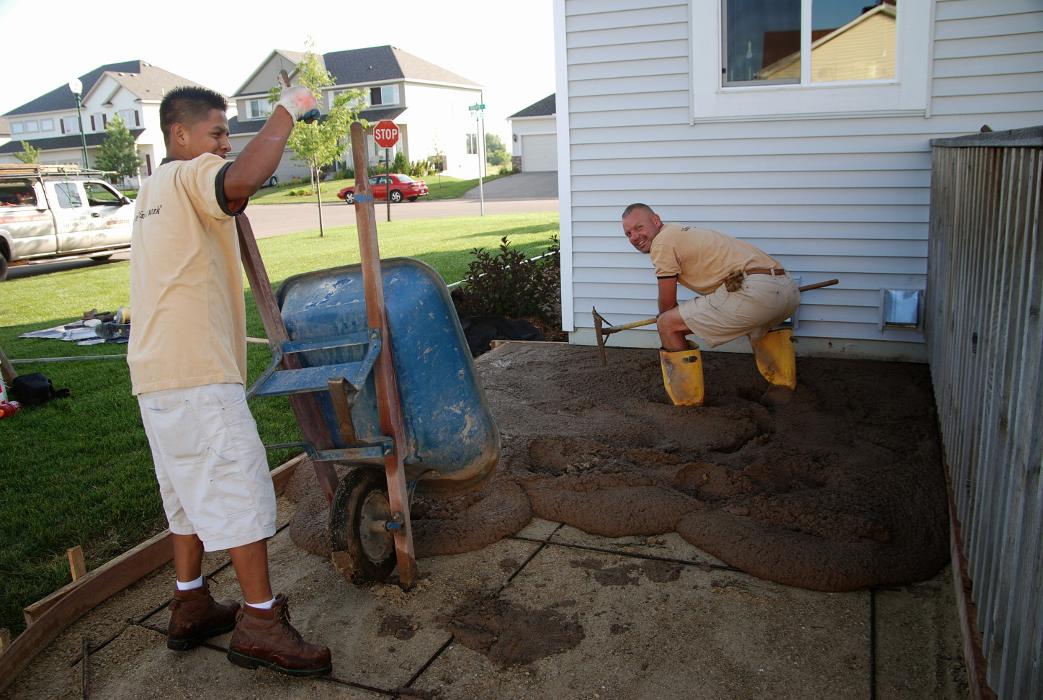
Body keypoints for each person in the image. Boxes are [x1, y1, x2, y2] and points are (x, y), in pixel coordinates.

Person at [128, 85, 331, 677]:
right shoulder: (192, 174)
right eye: (216, 132)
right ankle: (262, 624)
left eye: (226, 134)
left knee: (186, 495)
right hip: (194, 372)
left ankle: (190, 603)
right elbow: (240, 181)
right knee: (241, 491)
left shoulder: (151, 191)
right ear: (180, 136)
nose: (225, 143)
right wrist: (288, 112)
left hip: (157, 374)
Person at [621, 203, 800, 406]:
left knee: (667, 324)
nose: (634, 237)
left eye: (638, 228)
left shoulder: (662, 242)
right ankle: (783, 388)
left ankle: (688, 404)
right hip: (786, 290)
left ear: (656, 220)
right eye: (628, 234)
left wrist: (667, 322)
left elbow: (667, 303)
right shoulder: (678, 232)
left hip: (755, 294)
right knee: (762, 321)